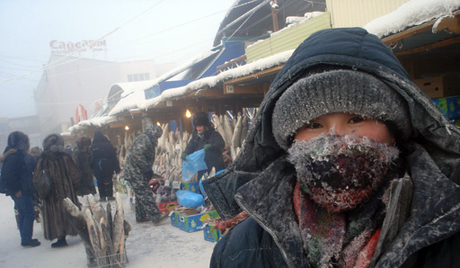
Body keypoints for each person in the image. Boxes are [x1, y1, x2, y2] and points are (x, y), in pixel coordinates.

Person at [204, 28, 460, 268]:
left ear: (394, 130)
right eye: (314, 124)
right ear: (290, 140)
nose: (335, 138)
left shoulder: (448, 228)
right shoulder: (239, 252)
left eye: (356, 119)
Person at [33, 134, 80, 248]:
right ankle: (77, 229)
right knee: (69, 209)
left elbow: (37, 177)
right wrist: (74, 186)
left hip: (51, 193)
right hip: (66, 190)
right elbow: (75, 175)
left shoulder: (43, 159)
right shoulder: (65, 157)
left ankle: (60, 237)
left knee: (55, 214)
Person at [0, 131, 40, 247]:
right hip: (20, 190)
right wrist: (16, 189)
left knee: (23, 212)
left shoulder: (13, 154)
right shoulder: (14, 156)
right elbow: (9, 175)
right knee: (29, 213)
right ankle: (26, 238)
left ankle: (25, 237)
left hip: (20, 189)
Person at [124, 125, 167, 224]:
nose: (157, 139)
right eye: (157, 136)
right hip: (134, 172)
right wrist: (146, 167)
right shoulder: (144, 139)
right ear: (154, 134)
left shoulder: (146, 139)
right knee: (145, 193)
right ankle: (155, 216)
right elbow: (137, 154)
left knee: (140, 194)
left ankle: (141, 216)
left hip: (137, 172)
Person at [181, 111, 226, 178]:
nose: (198, 128)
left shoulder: (214, 134)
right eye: (196, 126)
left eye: (200, 126)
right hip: (202, 168)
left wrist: (211, 146)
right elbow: (190, 147)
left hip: (216, 166)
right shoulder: (195, 137)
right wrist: (185, 153)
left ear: (205, 125)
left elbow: (221, 143)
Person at [90, 131, 120, 202]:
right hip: (108, 165)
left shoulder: (92, 147)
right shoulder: (108, 145)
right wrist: (117, 168)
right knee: (108, 180)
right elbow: (114, 157)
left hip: (97, 167)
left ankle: (102, 196)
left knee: (99, 181)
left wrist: (92, 169)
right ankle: (109, 195)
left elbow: (91, 159)